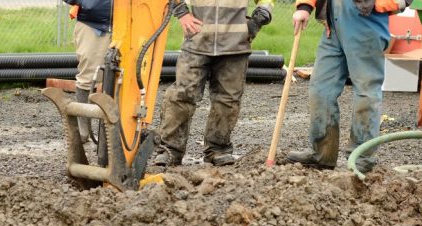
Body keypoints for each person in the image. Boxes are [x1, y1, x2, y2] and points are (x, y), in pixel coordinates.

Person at [287, 0, 412, 172]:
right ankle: (322, 154)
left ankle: (362, 160)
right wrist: (305, 7)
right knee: (320, 90)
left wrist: (380, 3)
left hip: (366, 21)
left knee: (366, 93)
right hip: (333, 25)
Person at [155, 0, 273, 166]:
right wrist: (182, 13)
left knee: (228, 99)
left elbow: (267, 1)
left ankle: (218, 149)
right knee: (181, 95)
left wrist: (258, 20)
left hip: (235, 46)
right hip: (197, 41)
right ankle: (170, 150)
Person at [64, 0, 112, 143]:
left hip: (131, 24)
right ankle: (83, 128)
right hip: (95, 24)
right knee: (89, 76)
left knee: (126, 78)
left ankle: (118, 128)